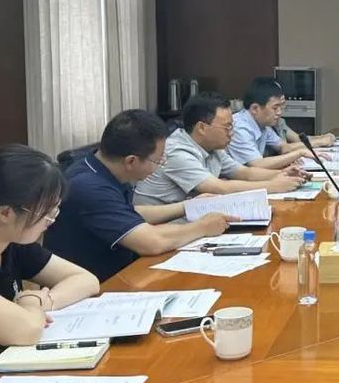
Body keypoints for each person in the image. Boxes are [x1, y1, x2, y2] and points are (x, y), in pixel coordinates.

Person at [0, 145, 100, 383]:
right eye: (47, 211)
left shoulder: (10, 241)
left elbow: (87, 280)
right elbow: (24, 330)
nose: (52, 219)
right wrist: (30, 306)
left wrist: (40, 300)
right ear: (5, 213)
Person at [45, 110, 237, 282]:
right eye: (158, 160)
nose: (161, 164)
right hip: (101, 284)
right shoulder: (89, 187)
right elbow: (151, 242)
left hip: (122, 270)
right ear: (131, 161)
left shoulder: (101, 166)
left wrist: (187, 206)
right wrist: (203, 227)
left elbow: (128, 212)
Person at [133, 94, 305, 205]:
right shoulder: (177, 151)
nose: (232, 133)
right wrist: (273, 186)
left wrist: (281, 174)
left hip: (189, 217)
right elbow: (219, 187)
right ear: (202, 127)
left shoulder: (212, 148)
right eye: (227, 127)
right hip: (160, 226)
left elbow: (244, 172)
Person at [228, 77, 333, 168]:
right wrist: (299, 153)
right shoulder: (240, 128)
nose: (279, 112)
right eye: (275, 108)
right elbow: (257, 164)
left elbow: (283, 147)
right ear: (255, 108)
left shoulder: (263, 124)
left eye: (280, 107)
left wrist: (289, 159)